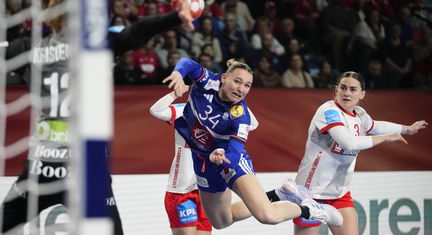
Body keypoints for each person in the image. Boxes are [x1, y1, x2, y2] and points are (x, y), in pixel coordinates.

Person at [0, 0, 195, 234]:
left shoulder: (28, 47)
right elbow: (134, 33)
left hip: (43, 166)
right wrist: (175, 16)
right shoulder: (94, 45)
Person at [162, 57, 343, 229]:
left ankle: (312, 210)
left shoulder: (241, 116)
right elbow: (188, 63)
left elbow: (234, 154)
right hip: (203, 160)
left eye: (247, 85)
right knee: (221, 221)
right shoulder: (207, 81)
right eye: (237, 81)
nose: (241, 89)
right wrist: (179, 73)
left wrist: (222, 155)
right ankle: (278, 194)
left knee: (268, 216)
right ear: (224, 78)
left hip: (230, 161)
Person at [291, 71, 428, 235]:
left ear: (362, 94)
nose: (347, 93)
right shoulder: (328, 111)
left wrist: (407, 129)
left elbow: (376, 126)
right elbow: (348, 143)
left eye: (353, 89)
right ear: (336, 91)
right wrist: (385, 138)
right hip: (310, 192)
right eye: (343, 88)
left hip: (339, 194)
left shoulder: (360, 114)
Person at [149, 87, 259, 235]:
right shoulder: (184, 109)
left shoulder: (227, 115)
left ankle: (269, 198)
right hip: (182, 189)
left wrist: (237, 99)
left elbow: (253, 123)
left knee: (222, 220)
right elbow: (156, 111)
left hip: (206, 187)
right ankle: (270, 197)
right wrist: (175, 93)